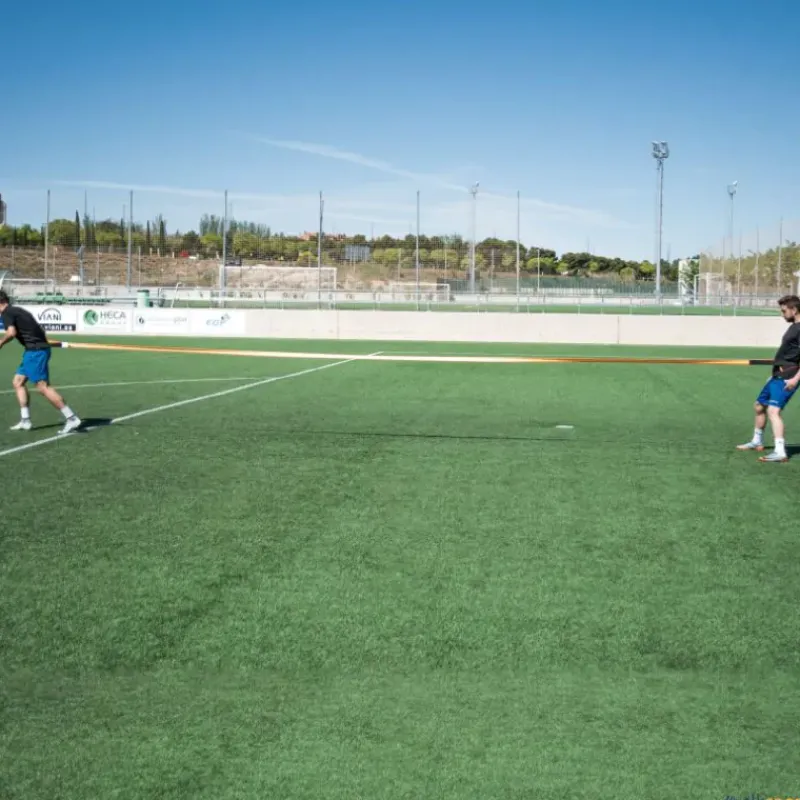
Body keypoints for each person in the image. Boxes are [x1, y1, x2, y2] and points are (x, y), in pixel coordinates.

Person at [0, 291, 81, 435]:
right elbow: (39, 330)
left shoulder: (7, 313)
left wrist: (1, 342)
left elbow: (11, 333)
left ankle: (71, 417)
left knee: (43, 387)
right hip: (34, 351)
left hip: (35, 352)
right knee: (18, 382)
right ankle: (25, 420)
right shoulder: (18, 310)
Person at [737, 294, 800, 462]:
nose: (782, 314)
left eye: (784, 311)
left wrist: (795, 380)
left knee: (773, 411)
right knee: (759, 406)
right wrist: (773, 376)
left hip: (788, 376)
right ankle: (757, 441)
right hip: (777, 375)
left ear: (794, 310)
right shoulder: (794, 327)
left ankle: (780, 452)